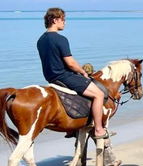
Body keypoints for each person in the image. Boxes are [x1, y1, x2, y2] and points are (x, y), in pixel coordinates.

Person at [37, 8, 109, 139]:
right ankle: (99, 129)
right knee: (98, 94)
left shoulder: (41, 40)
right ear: (55, 20)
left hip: (51, 77)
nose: (64, 23)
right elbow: (70, 63)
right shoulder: (60, 39)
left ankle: (71, 129)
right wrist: (82, 72)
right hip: (64, 76)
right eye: (63, 20)